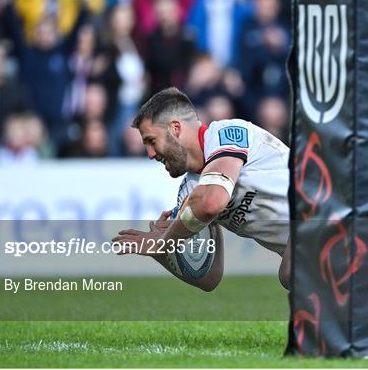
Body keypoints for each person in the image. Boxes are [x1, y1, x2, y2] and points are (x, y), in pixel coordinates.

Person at [112, 87, 291, 291]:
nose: (150, 154)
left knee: (291, 272)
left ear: (175, 129)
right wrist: (160, 252)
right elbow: (208, 279)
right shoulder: (190, 190)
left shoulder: (227, 133)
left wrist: (164, 242)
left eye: (151, 141)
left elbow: (211, 203)